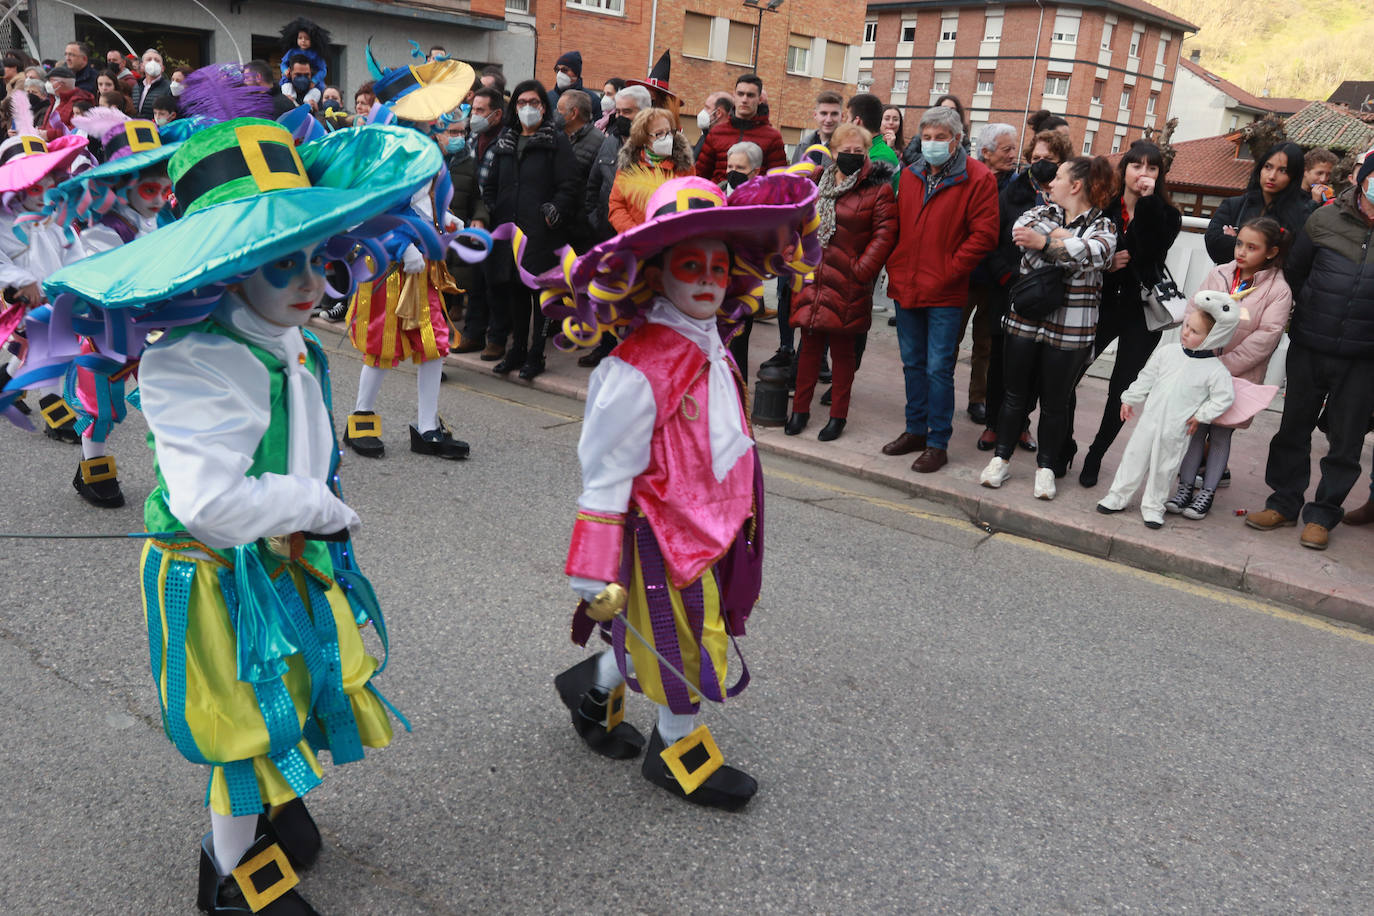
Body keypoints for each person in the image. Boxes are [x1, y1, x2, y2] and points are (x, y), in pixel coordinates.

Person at [19, 117, 431, 915]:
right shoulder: (195, 358)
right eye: (284, 263)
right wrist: (318, 505)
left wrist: (315, 511)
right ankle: (229, 868)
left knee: (299, 689)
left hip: (282, 557)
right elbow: (211, 506)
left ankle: (278, 810)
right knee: (243, 722)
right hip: (218, 575)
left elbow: (303, 452)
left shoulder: (290, 340)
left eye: (317, 257)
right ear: (237, 267)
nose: (312, 282)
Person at [528, 172, 820, 810]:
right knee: (689, 636)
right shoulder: (635, 366)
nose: (709, 280)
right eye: (692, 266)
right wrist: (591, 565)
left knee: (654, 631)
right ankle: (676, 750)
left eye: (719, 266)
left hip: (714, 519)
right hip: (661, 530)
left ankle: (593, 690)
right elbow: (603, 470)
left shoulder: (712, 342)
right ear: (657, 274)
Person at [343, 50, 478, 460]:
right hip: (390, 262)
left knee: (434, 344)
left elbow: (425, 201)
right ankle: (361, 419)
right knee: (382, 345)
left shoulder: (426, 147)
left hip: (426, 262)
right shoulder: (386, 149)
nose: (435, 115)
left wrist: (448, 219)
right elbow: (377, 207)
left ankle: (426, 427)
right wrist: (404, 245)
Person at [1245, 155, 1374, 550]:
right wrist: (1314, 313)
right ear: (1363, 180)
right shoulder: (1324, 218)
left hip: (1364, 356)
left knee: (1346, 440)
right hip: (1310, 344)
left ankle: (1322, 515)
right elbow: (1296, 273)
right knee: (1293, 429)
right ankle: (1283, 502)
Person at [979, 155, 1117, 499]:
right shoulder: (1040, 211)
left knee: (1056, 402)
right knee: (1013, 396)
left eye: (1057, 177)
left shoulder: (1105, 226)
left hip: (1072, 328)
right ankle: (1001, 460)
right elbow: (1021, 234)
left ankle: (1046, 468)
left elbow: (1095, 254)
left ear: (1076, 185)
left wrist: (1046, 243)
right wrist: (1062, 244)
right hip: (1026, 320)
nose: (1050, 183)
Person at [883, 105, 999, 474]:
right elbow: (896, 223)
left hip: (946, 291)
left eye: (940, 138)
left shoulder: (978, 178)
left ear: (958, 141)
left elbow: (984, 236)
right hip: (907, 284)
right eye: (926, 137)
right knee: (912, 364)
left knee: (938, 368)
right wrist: (895, 264)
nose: (931, 144)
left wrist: (950, 269)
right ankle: (915, 430)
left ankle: (937, 442)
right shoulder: (912, 173)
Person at [1076, 140, 1183, 486]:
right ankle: (1062, 444)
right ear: (1125, 170)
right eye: (1137, 166)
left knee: (1122, 388)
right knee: (1070, 373)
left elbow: (1149, 251)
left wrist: (1148, 204)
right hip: (1102, 303)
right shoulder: (1102, 206)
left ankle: (1096, 454)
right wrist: (1108, 263)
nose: (1144, 174)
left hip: (1142, 311)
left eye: (1152, 168)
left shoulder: (1167, 214)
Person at [1170, 218, 1291, 520]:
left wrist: (1222, 365)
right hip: (1202, 369)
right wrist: (1198, 353)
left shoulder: (1277, 289)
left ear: (1271, 252)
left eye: (1252, 247)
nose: (1242, 252)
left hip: (1238, 377)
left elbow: (1267, 337)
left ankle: (1207, 493)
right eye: (1240, 244)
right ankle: (1185, 488)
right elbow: (1193, 311)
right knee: (1195, 430)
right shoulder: (1219, 274)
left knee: (1222, 434)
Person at [785, 123, 897, 442]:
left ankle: (838, 415)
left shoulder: (877, 188)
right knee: (808, 346)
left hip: (849, 280)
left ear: (866, 154)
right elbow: (795, 220)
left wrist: (861, 270)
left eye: (857, 152)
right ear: (832, 151)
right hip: (813, 276)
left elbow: (885, 233)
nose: (850, 156)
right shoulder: (814, 181)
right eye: (845, 151)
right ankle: (800, 411)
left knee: (843, 352)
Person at [1096, 294, 1237, 528]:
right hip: (1149, 420)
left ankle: (1153, 506)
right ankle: (1117, 496)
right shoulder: (1167, 353)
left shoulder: (1215, 370)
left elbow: (1224, 398)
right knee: (1134, 457)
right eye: (1187, 326)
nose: (1186, 333)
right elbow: (1147, 377)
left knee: (1165, 467)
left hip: (1177, 428)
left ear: (1213, 337)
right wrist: (1130, 398)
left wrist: (1201, 416)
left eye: (1195, 332)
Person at [978, 128, 1073, 453]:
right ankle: (993, 423)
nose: (1042, 164)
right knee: (1001, 360)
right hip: (1008, 288)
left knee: (1035, 365)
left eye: (1049, 159)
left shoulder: (1072, 199)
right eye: (1036, 158)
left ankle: (1020, 425)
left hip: (1050, 294)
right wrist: (1007, 277)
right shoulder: (1011, 191)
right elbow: (990, 238)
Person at [481, 78, 579, 380]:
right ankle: (517, 349)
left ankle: (536, 354)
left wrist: (555, 209)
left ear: (543, 106)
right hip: (510, 231)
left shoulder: (555, 140)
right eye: (522, 103)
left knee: (540, 293)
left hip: (541, 230)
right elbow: (493, 183)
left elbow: (569, 184)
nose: (527, 108)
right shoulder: (506, 140)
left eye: (533, 103)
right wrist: (492, 205)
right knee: (515, 292)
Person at [962, 123, 1020, 427]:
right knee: (950, 339)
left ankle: (977, 399)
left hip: (995, 279)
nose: (1014, 154)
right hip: (964, 273)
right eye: (1007, 149)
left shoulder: (1017, 185)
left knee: (984, 343)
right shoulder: (966, 177)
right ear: (986, 152)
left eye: (1014, 148)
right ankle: (940, 395)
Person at [457, 85, 509, 360]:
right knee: (475, 280)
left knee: (496, 283)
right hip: (473, 220)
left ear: (497, 114)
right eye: (473, 109)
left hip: (498, 222)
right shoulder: (470, 139)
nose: (473, 115)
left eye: (480, 110)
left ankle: (497, 339)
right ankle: (472, 334)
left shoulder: (506, 142)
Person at [1205, 142, 1313, 265]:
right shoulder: (1234, 205)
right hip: (1230, 282)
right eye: (1268, 167)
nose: (1272, 176)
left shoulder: (1301, 216)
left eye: (1282, 170)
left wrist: (1237, 240)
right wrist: (1263, 250)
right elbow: (1214, 246)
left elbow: (1294, 261)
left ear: (1294, 177)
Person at [606, 107, 694, 233]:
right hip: (636, 242)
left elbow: (691, 207)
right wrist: (635, 233)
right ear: (644, 139)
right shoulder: (629, 166)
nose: (667, 137)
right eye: (659, 134)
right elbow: (617, 205)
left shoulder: (684, 166)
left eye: (669, 132)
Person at [586, 84, 650, 244]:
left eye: (627, 111)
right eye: (618, 111)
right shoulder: (610, 142)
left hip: (642, 239)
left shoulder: (659, 146)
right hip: (606, 236)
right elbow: (593, 184)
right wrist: (596, 220)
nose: (620, 116)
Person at [694, 73, 785, 181]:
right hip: (718, 196)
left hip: (756, 196)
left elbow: (779, 182)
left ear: (760, 99)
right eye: (740, 94)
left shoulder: (772, 137)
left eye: (750, 95)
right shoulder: (716, 133)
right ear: (734, 96)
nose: (744, 100)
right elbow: (700, 178)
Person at [556, 88, 606, 255]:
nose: (555, 114)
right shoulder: (557, 137)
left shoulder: (598, 142)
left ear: (573, 113)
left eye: (559, 110)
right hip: (558, 225)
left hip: (580, 231)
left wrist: (587, 221)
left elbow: (596, 189)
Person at [278, 17, 329, 107]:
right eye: (300, 38)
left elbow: (323, 70)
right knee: (286, 86)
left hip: (312, 82)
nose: (303, 41)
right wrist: (285, 70)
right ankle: (291, 101)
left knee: (316, 91)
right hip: (291, 80)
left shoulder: (316, 54)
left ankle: (308, 104)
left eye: (307, 39)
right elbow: (283, 63)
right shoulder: (292, 51)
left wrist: (314, 80)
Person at [846, 93, 899, 171]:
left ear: (857, 122)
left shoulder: (879, 157)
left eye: (848, 118)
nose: (846, 123)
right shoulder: (871, 149)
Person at [692, 90, 733, 160]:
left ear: (718, 113)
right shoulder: (706, 135)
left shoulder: (725, 143)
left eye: (707, 108)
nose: (703, 111)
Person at [130, 48, 171, 119]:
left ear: (163, 68)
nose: (153, 62)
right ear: (142, 66)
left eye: (157, 60)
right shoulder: (136, 87)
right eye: (149, 59)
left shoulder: (169, 87)